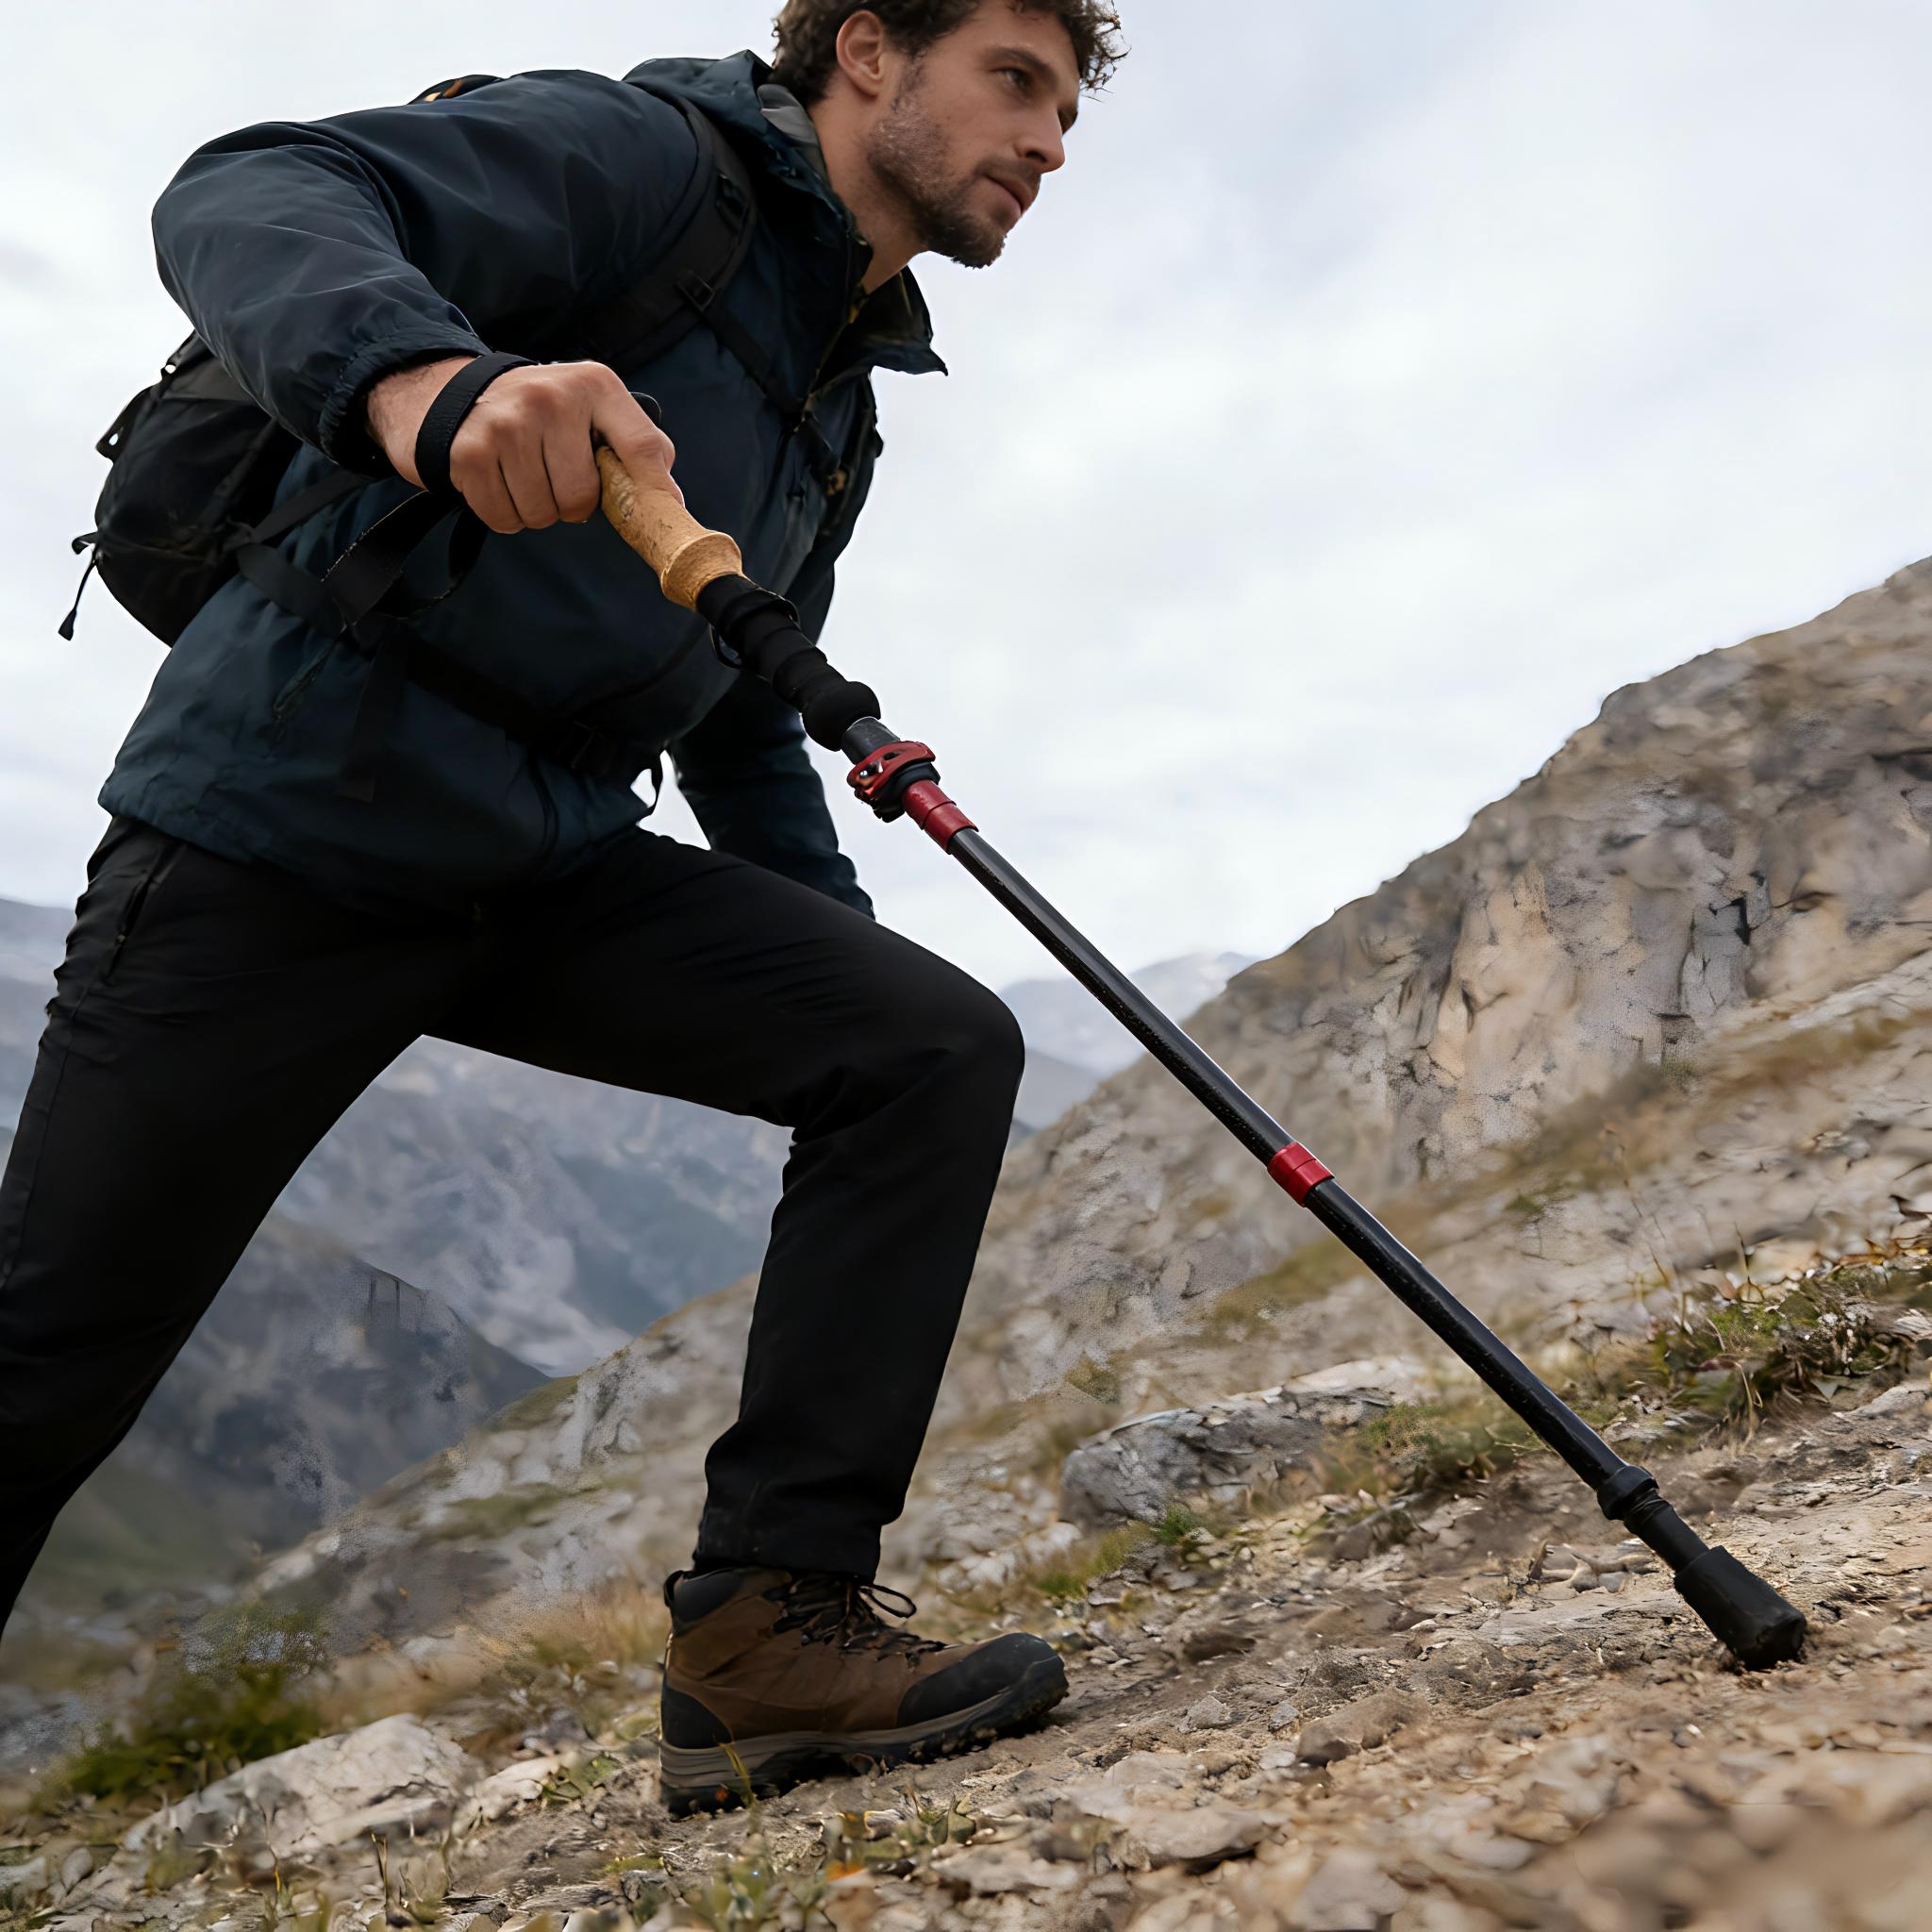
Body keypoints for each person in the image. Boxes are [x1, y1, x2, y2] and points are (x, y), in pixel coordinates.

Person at [0, 0, 1125, 1810]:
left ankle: (770, 1633)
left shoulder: (829, 404)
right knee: (45, 1365)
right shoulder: (648, 165)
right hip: (281, 826)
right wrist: (421, 386)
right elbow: (250, 190)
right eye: (1018, 81)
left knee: (922, 1046)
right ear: (865, 53)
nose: (1051, 142)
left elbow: (748, 693)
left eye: (1069, 111)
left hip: (535, 863)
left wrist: (824, 947)